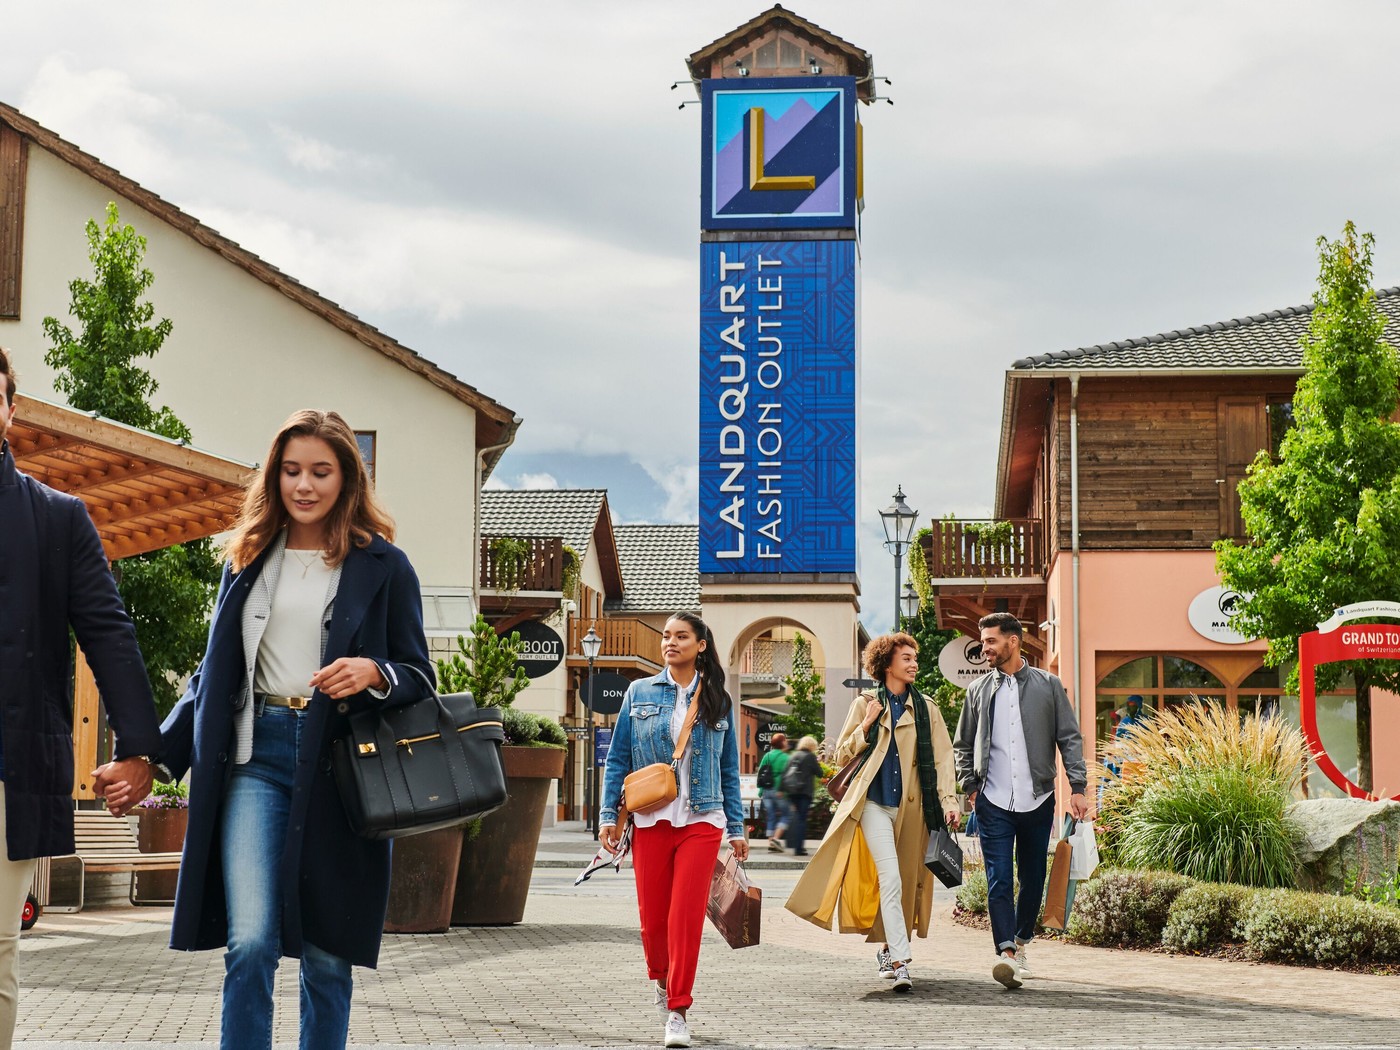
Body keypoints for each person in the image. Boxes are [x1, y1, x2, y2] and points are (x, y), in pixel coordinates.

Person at [146, 409, 433, 1050]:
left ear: (347, 479)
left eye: (320, 472)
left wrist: (374, 671)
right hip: (257, 757)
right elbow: (211, 676)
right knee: (250, 942)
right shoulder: (247, 558)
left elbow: (419, 676)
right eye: (291, 470)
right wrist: (155, 757)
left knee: (329, 956)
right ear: (274, 476)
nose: (304, 485)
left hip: (342, 770)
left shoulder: (386, 567)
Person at [0, 347, 163, 1049]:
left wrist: (140, 749)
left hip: (8, 771)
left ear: (9, 408)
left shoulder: (57, 519)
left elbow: (109, 633)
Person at [598, 611, 748, 1049]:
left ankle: (678, 1010)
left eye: (681, 636)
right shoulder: (639, 691)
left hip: (702, 820)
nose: (670, 642)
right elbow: (620, 758)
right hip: (650, 819)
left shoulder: (718, 699)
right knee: (653, 921)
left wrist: (735, 827)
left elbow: (727, 768)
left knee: (684, 918)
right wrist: (610, 816)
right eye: (666, 636)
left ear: (701, 644)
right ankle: (661, 981)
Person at [785, 632, 959, 994]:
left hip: (915, 808)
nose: (913, 663)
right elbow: (842, 756)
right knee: (891, 878)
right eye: (906, 658)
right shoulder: (865, 703)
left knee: (907, 882)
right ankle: (900, 961)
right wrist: (866, 725)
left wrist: (949, 802)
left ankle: (885, 947)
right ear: (886, 664)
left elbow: (943, 759)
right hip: (873, 805)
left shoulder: (927, 708)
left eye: (915, 657)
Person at [953, 612, 1088, 990]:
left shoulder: (1048, 685)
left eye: (991, 641)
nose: (985, 648)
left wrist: (1077, 786)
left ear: (1013, 641)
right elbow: (962, 744)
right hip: (992, 800)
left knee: (1032, 877)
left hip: (1037, 798)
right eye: (983, 642)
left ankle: (1023, 941)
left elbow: (1069, 738)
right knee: (998, 878)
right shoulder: (977, 691)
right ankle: (1007, 953)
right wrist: (969, 785)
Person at [780, 736, 821, 855]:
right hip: (804, 792)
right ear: (812, 746)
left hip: (792, 792)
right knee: (802, 819)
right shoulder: (810, 757)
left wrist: (782, 789)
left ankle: (792, 844)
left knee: (796, 817)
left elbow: (785, 774)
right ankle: (799, 848)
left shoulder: (793, 756)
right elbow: (819, 773)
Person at [755, 732, 791, 852]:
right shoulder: (786, 758)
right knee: (786, 815)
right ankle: (776, 838)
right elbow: (788, 776)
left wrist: (761, 790)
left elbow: (761, 773)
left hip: (766, 790)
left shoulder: (767, 756)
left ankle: (771, 842)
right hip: (779, 791)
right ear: (782, 743)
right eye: (785, 740)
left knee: (770, 816)